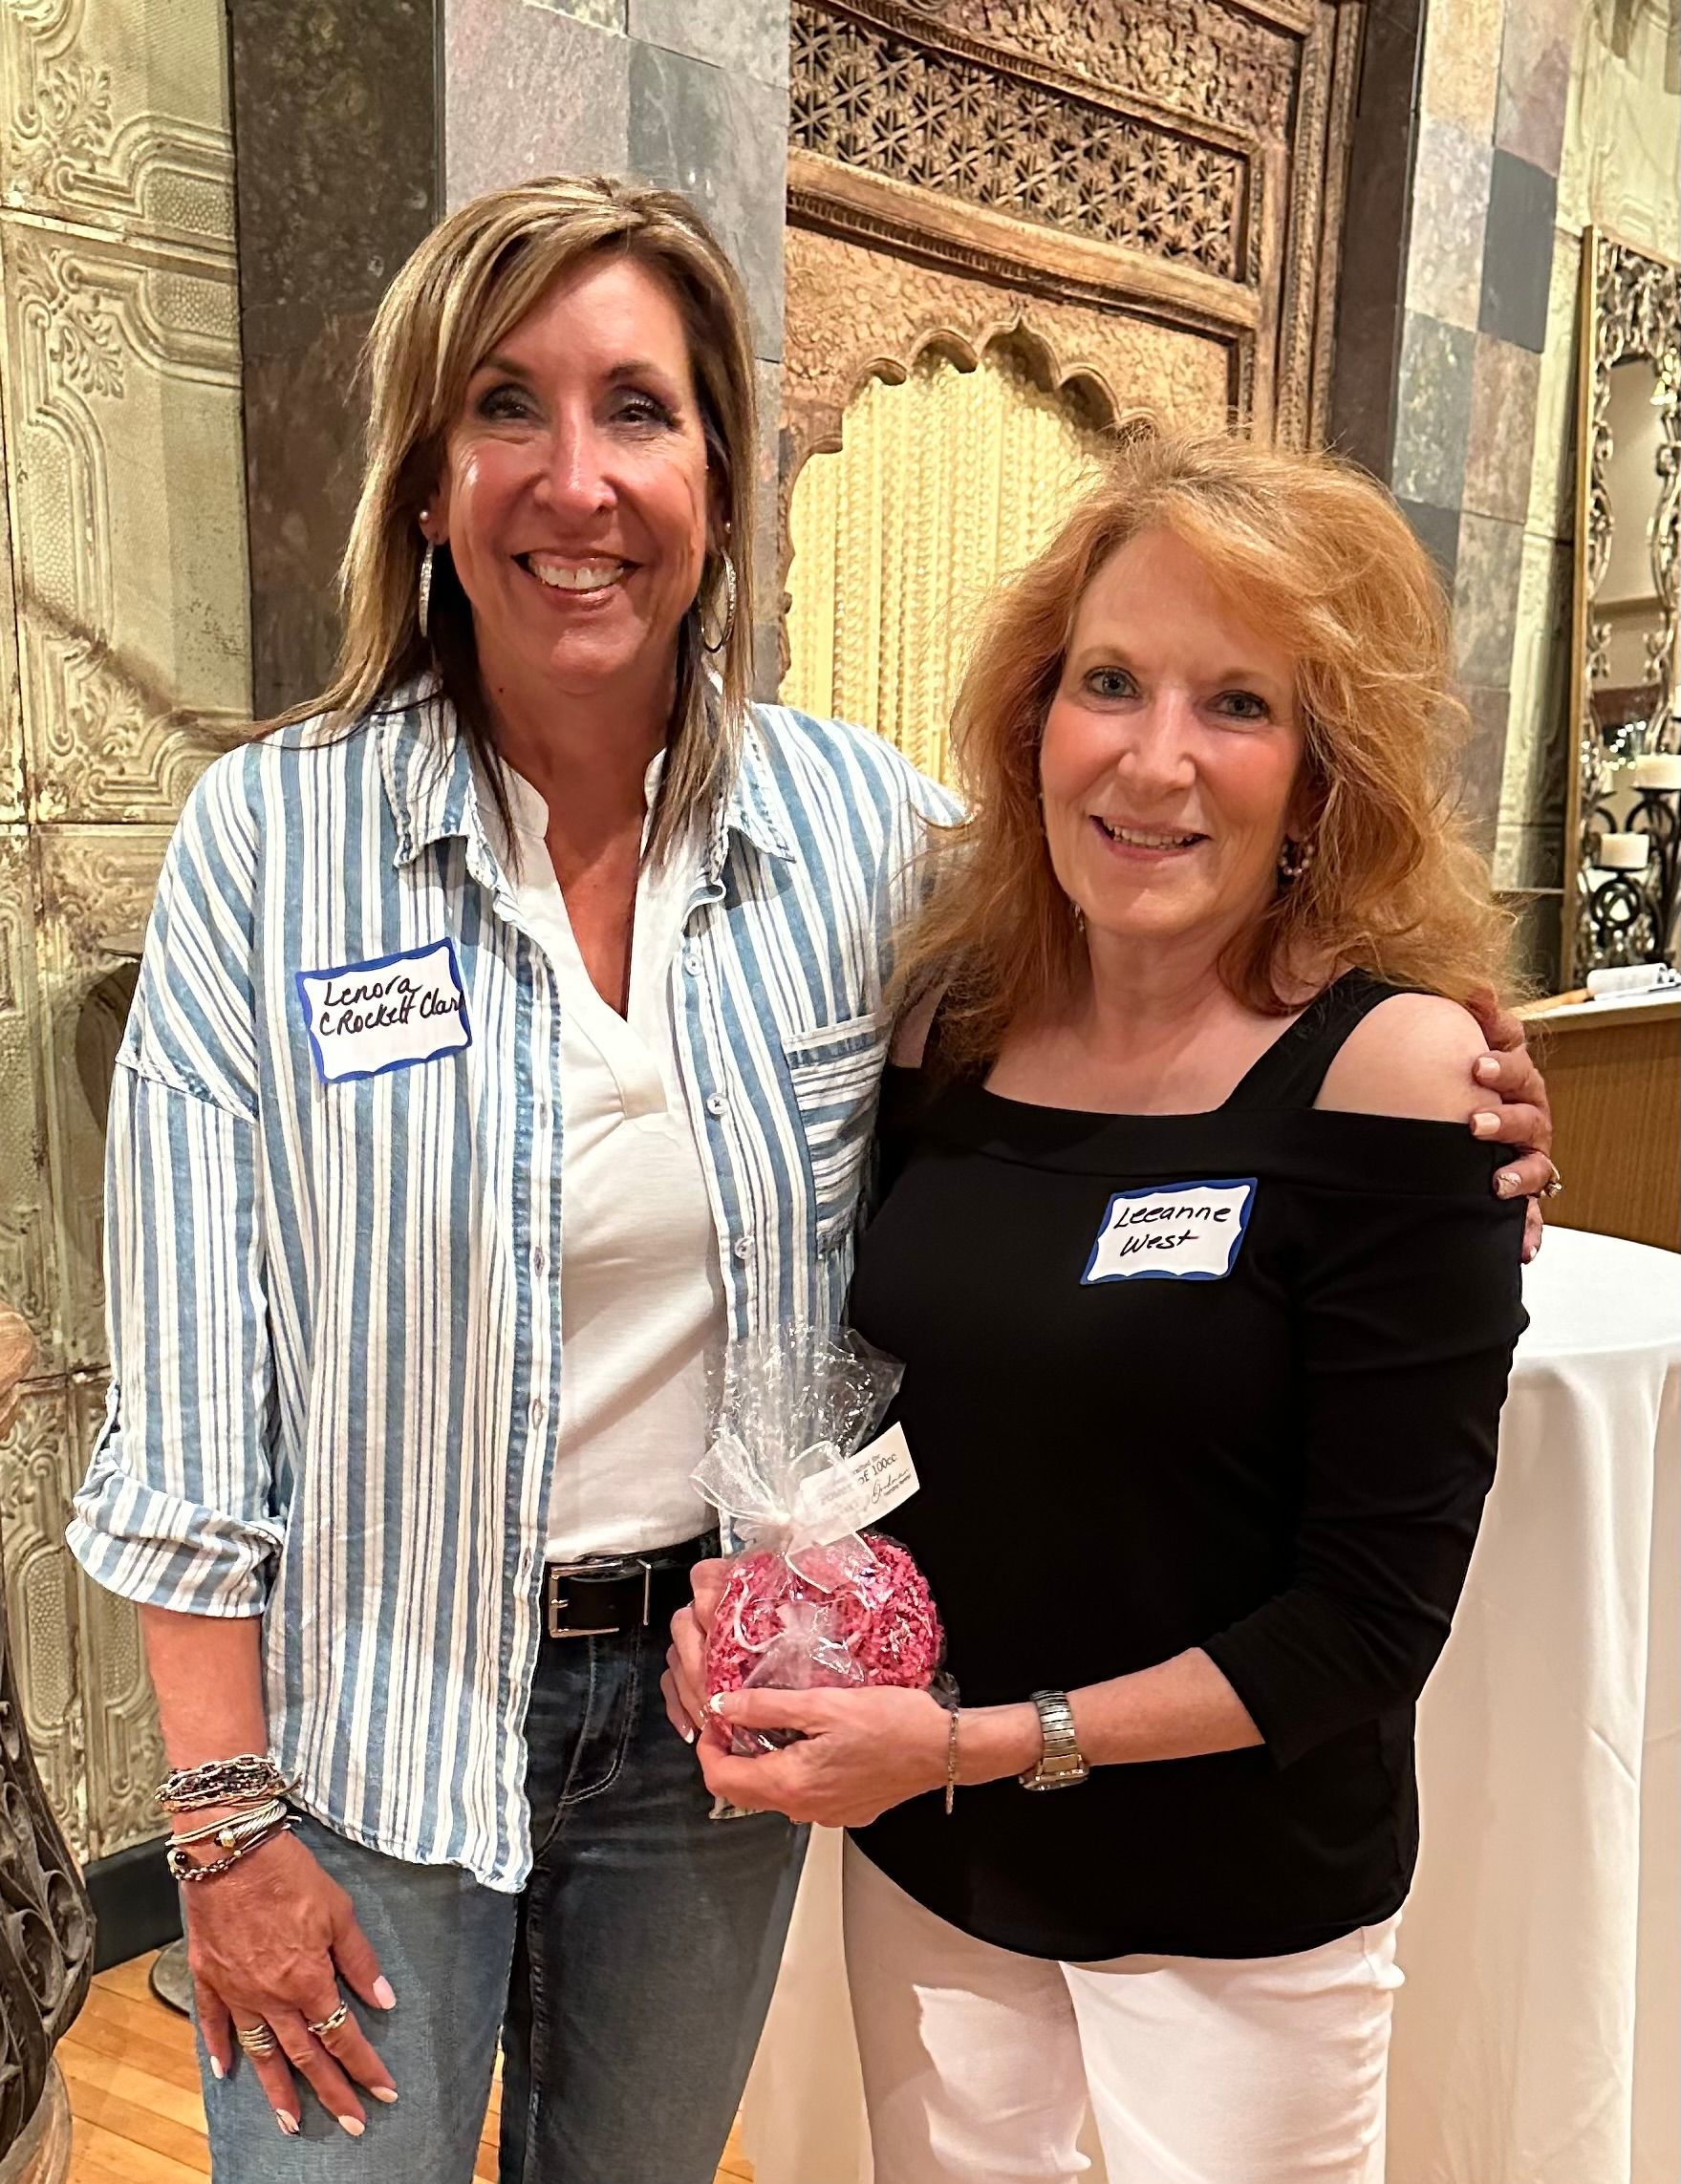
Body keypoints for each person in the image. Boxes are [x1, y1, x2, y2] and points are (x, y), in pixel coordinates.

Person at [68, 176, 1546, 2183]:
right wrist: (222, 1820)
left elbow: (1154, 943)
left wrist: (1446, 1093)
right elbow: (184, 1391)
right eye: (508, 407)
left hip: (713, 1724)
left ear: (720, 478)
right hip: (361, 1729)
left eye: (640, 411)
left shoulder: (865, 840)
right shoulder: (274, 841)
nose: (574, 481)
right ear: (427, 483)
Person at [668, 435, 1539, 2184]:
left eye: (1238, 705)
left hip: (1235, 1917)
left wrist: (979, 1743)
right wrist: (774, 1623)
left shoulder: (1398, 1079)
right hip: (943, 1877)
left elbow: (1369, 1622)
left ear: (1321, 778)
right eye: (1111, 684)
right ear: (1032, 721)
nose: (1155, 761)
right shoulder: (945, 1030)